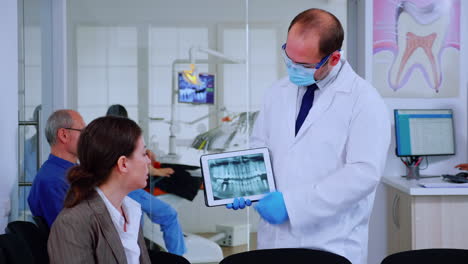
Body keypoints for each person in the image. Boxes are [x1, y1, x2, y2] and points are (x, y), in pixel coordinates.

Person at [227, 8, 390, 264]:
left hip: (330, 244)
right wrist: (247, 185)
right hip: (274, 241)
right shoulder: (277, 92)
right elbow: (260, 148)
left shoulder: (364, 101)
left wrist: (292, 205)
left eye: (303, 65)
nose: (292, 68)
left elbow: (363, 174)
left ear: (333, 59)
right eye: (288, 57)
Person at [48, 116, 151, 263]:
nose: (149, 161)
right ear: (123, 164)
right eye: (143, 154)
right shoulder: (72, 223)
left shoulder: (131, 212)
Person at [106, 104, 186, 255]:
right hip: (128, 190)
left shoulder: (106, 138)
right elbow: (128, 163)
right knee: (169, 214)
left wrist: (144, 152)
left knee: (136, 225)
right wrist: (157, 171)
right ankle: (178, 257)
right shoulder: (121, 138)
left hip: (120, 189)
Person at [28, 109, 86, 227]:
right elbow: (70, 232)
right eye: (83, 131)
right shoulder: (53, 181)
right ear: (63, 135)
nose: (87, 138)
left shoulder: (71, 172)